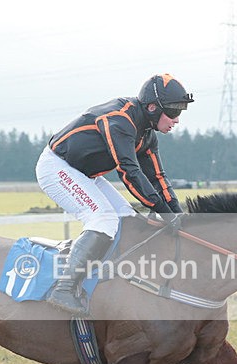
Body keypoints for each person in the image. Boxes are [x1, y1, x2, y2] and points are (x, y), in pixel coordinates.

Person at [35, 73, 193, 315]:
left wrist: (178, 215)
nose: (177, 120)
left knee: (127, 218)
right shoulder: (121, 122)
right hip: (57, 166)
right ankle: (64, 288)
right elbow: (129, 172)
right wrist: (164, 213)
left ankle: (109, 281)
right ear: (152, 108)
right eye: (172, 112)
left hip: (84, 173)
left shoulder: (146, 134)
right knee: (103, 219)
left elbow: (158, 178)